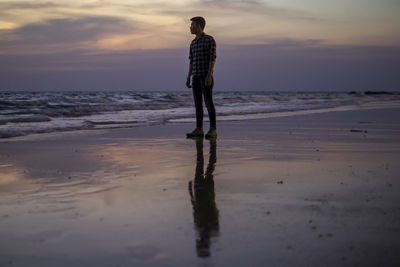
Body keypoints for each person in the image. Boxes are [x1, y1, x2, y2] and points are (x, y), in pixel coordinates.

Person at [186, 16, 217, 139]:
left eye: (192, 25)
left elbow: (212, 58)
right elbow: (191, 61)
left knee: (209, 103)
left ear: (199, 26)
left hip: (205, 76)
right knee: (197, 104)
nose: (190, 27)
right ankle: (199, 129)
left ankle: (213, 129)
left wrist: (209, 75)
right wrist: (188, 77)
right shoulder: (193, 43)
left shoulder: (209, 39)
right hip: (196, 77)